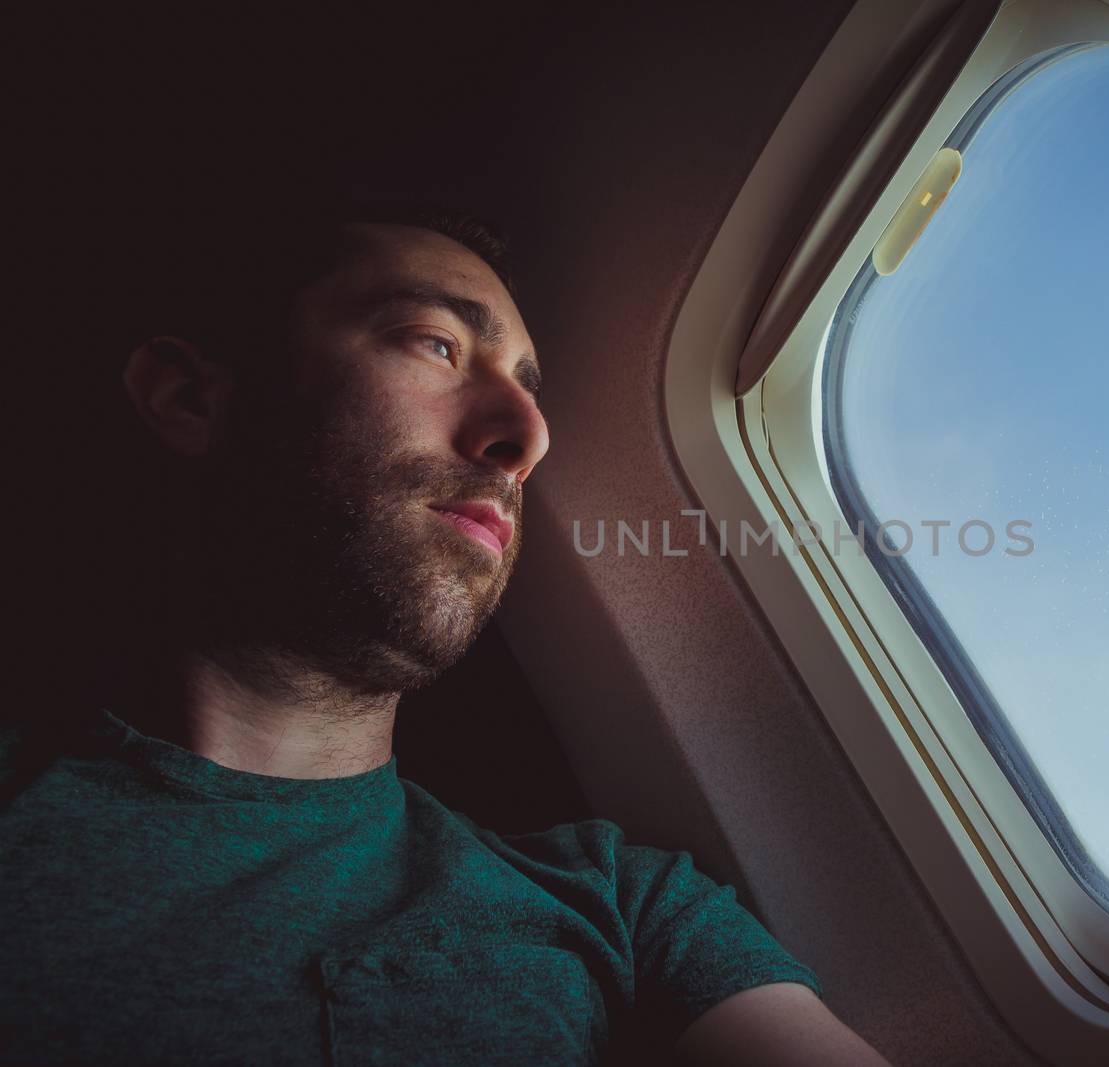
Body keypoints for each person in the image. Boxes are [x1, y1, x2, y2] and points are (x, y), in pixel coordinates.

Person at [0, 204, 892, 1066]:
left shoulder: (624, 904)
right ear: (192, 397)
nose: (530, 436)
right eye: (438, 344)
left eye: (528, 389)